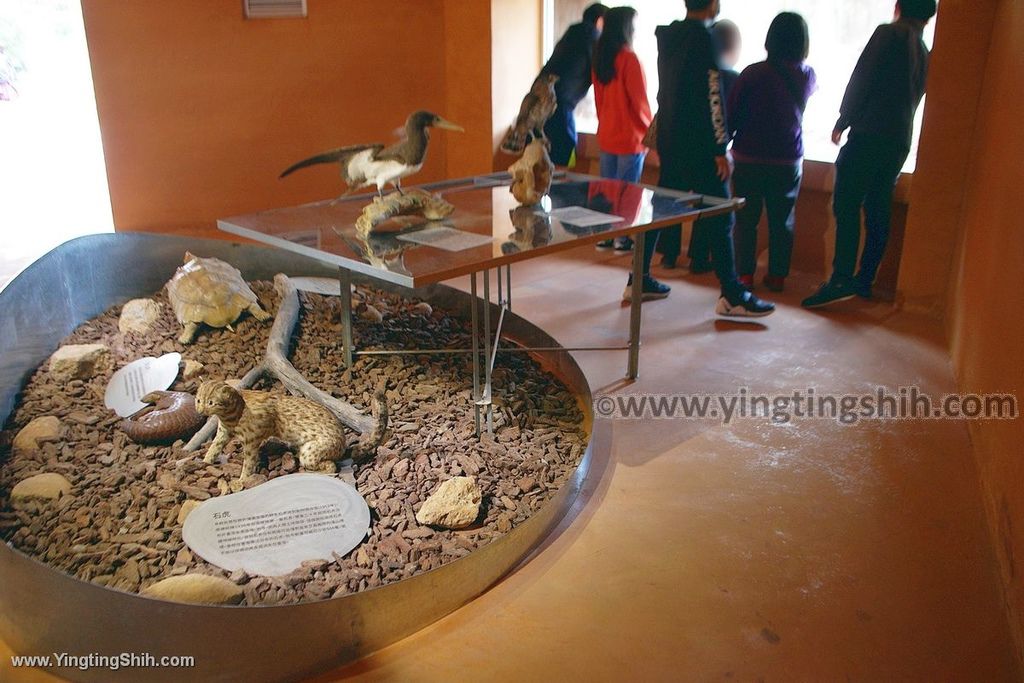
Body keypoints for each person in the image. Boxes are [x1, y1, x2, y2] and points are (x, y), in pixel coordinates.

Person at [802, 0, 936, 308]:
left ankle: (840, 279)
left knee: (846, 204)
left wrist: (842, 120)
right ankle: (864, 280)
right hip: (899, 139)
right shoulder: (924, 51)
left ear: (899, 7)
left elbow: (863, 78)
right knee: (878, 208)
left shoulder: (888, 34)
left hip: (869, 133)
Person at [647, 0, 775, 316]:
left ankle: (639, 279)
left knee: (662, 209)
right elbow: (713, 97)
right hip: (699, 145)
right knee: (721, 212)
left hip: (671, 138)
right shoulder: (706, 39)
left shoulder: (669, 37)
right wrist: (720, 149)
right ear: (714, 3)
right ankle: (731, 293)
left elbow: (667, 93)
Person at [728, 12, 817, 293]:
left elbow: (732, 114)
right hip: (787, 159)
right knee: (783, 220)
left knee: (745, 220)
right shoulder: (807, 75)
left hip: (748, 158)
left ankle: (744, 275)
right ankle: (777, 276)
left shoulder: (752, 74)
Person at [591, 6, 653, 258]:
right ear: (626, 28)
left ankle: (604, 236)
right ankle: (622, 238)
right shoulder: (629, 59)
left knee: (608, 190)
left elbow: (597, 100)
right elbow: (639, 104)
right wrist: (649, 131)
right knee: (628, 191)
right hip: (629, 137)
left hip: (607, 134)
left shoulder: (601, 58)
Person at [685, 18, 742, 272]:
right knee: (720, 211)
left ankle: (697, 257)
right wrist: (723, 148)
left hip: (695, 148)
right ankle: (725, 272)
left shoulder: (696, 72)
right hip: (717, 151)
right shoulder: (730, 77)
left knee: (701, 205)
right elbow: (728, 115)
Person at [538, 3, 608, 166]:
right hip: (560, 105)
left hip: (543, 101)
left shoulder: (573, 32)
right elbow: (602, 73)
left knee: (544, 161)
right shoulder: (592, 37)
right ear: (599, 21)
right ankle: (558, 189)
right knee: (563, 158)